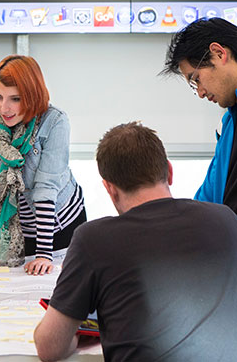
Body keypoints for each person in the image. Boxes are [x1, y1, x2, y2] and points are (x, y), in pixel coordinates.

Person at [34, 122, 237, 361]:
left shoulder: (94, 239)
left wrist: (78, 337)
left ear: (110, 189)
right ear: (169, 172)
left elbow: (49, 348)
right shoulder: (226, 219)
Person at [0, 55, 86, 275]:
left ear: (32, 96)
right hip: (22, 230)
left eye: (15, 99)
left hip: (60, 225)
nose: (4, 108)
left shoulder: (55, 122)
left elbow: (46, 189)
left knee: (52, 285)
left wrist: (44, 255)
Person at [162, 17, 237, 213]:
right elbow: (208, 198)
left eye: (196, 79)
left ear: (219, 53)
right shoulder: (229, 124)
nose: (201, 93)